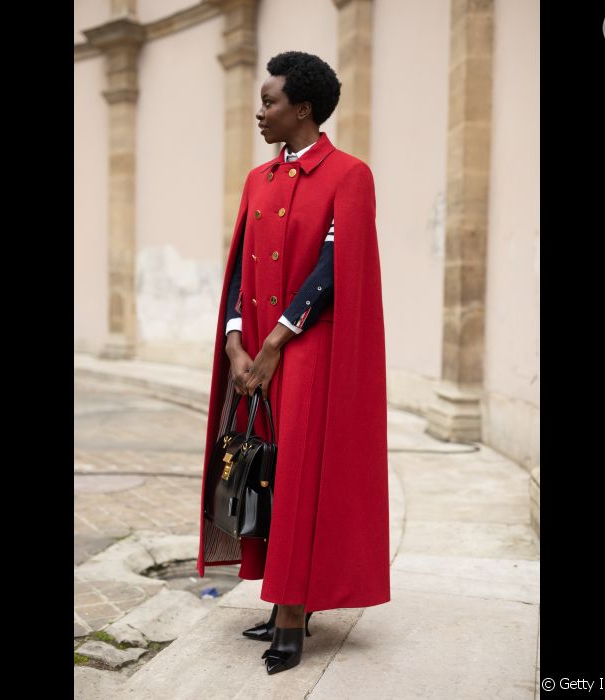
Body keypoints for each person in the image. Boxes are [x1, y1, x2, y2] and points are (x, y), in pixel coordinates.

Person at [197, 51, 390, 675]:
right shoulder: (259, 180)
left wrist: (277, 342)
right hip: (253, 347)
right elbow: (238, 266)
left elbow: (334, 269)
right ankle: (286, 592)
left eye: (269, 101)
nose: (260, 112)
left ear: (301, 109)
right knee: (267, 472)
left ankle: (291, 611)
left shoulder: (349, 174)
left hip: (311, 351)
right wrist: (234, 342)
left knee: (303, 473)